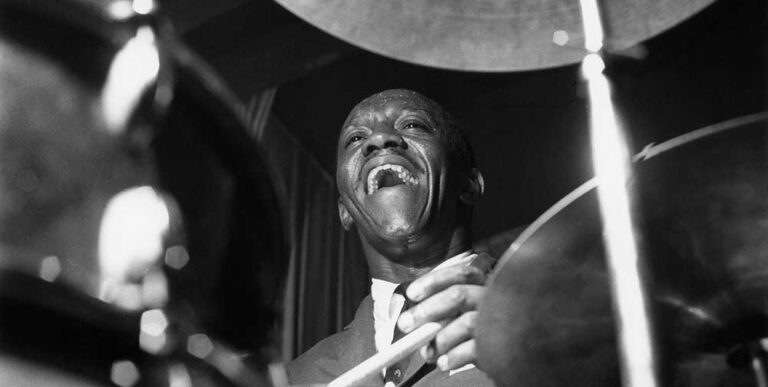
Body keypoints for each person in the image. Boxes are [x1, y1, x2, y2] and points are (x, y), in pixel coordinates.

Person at [286, 89, 496, 386]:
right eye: (356, 139)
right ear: (345, 210)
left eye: (412, 125)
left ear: (470, 185)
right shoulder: (297, 377)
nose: (379, 139)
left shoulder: (545, 313)